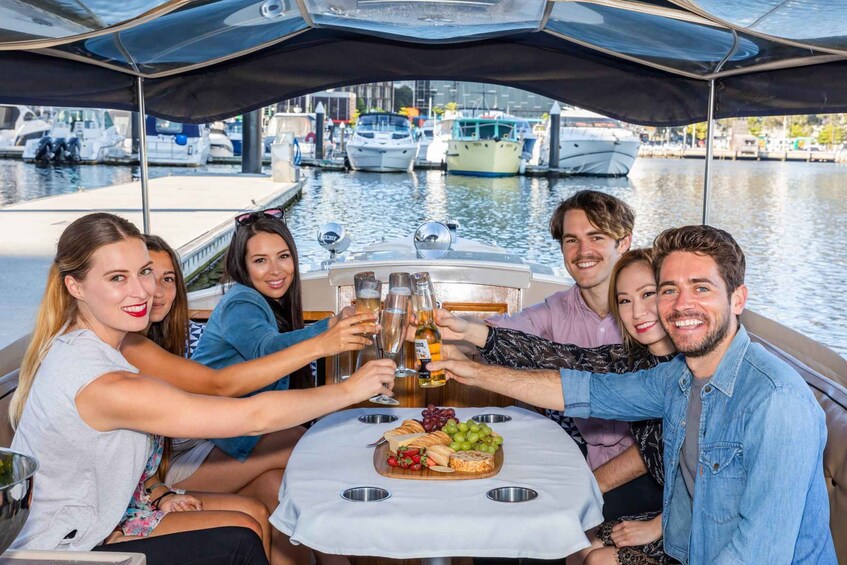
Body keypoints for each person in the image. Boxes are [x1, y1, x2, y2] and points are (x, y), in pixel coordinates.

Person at [430, 226, 836, 564]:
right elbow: (582, 389)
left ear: (738, 299)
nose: (681, 305)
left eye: (700, 288)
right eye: (669, 290)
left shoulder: (776, 402)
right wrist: (473, 372)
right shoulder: (677, 377)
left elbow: (758, 554)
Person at [9, 212, 396, 563]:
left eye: (144, 272)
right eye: (117, 278)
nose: (143, 291)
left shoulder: (85, 345)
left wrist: (157, 492)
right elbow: (252, 416)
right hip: (63, 549)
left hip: (101, 521)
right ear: (75, 286)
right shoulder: (104, 382)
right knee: (239, 540)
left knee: (255, 514)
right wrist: (351, 389)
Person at [120, 234, 374, 564]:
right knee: (303, 447)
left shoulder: (155, 337)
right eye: (146, 275)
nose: (155, 290)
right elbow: (224, 382)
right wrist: (326, 343)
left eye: (167, 279)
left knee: (275, 486)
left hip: (171, 460)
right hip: (171, 466)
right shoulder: (133, 344)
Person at [436, 249, 674, 564]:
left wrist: (660, 525)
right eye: (625, 301)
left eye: (648, 294)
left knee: (590, 555)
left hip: (686, 516)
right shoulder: (631, 360)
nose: (637, 312)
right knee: (564, 543)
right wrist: (472, 332)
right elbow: (556, 356)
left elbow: (711, 478)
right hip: (668, 502)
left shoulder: (687, 368)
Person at [485, 190, 636, 477]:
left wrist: (596, 485)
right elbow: (497, 331)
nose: (583, 251)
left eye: (596, 237)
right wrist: (444, 327)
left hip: (645, 470)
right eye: (571, 240)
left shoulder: (651, 314)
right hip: (581, 457)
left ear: (624, 242)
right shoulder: (556, 308)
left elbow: (664, 438)